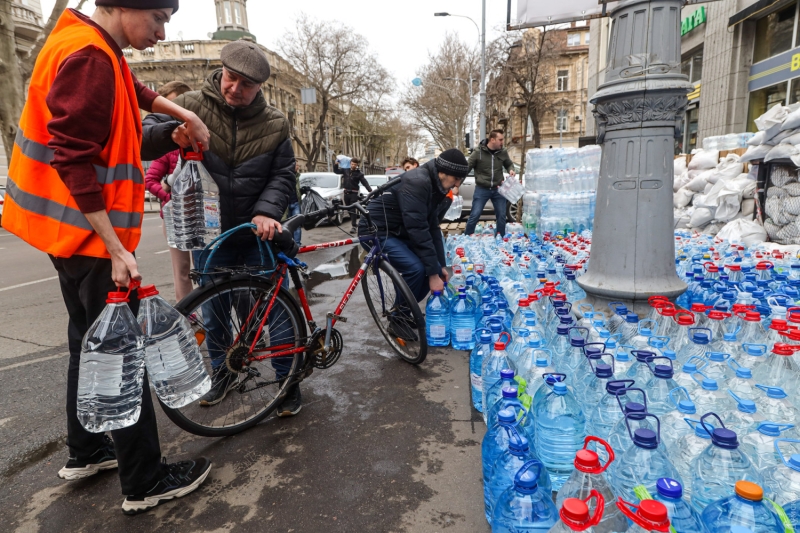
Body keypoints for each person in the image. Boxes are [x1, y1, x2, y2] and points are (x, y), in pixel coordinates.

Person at [1, 1, 213, 515]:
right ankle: (145, 481)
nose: (163, 33)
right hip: (92, 237)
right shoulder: (92, 59)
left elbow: (125, 107)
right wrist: (116, 248)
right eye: (159, 19)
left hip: (63, 234)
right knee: (121, 355)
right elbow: (71, 154)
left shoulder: (86, 42)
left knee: (88, 343)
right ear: (120, 7)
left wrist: (179, 114)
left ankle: (88, 449)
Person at [168, 41, 300, 415]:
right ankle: (221, 376)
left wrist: (266, 211)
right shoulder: (191, 105)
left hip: (258, 234)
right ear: (220, 71)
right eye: (231, 78)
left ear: (260, 87)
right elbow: (144, 135)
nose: (235, 89)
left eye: (246, 84)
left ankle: (286, 382)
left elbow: (283, 174)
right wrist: (168, 136)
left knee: (275, 309)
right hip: (210, 234)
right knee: (214, 312)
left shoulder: (275, 122)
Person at [359, 149, 468, 340]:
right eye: (456, 178)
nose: (457, 184)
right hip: (376, 231)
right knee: (417, 269)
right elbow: (417, 228)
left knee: (429, 268)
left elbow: (432, 227)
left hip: (398, 230)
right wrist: (432, 272)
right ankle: (397, 318)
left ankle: (403, 311)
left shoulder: (437, 185)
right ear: (443, 171)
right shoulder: (418, 182)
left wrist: (439, 266)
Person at [144, 81, 194, 302]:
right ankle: (189, 319)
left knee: (207, 268)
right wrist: (168, 198)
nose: (168, 113)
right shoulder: (167, 144)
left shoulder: (201, 135)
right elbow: (151, 179)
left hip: (204, 215)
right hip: (175, 218)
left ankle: (212, 319)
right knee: (182, 272)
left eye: (173, 105)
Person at [464, 129, 517, 236]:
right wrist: (456, 185)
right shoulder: (478, 152)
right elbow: (466, 169)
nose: (502, 142)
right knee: (475, 214)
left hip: (498, 189)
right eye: (500, 140)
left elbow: (509, 164)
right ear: (492, 140)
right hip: (482, 189)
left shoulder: (503, 152)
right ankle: (467, 237)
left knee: (501, 215)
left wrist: (511, 169)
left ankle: (500, 238)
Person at [334, 156, 372, 234]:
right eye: (352, 164)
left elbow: (364, 182)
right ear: (350, 164)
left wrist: (370, 191)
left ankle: (354, 226)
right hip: (346, 193)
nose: (353, 165)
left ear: (357, 165)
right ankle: (354, 223)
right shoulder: (346, 170)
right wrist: (336, 164)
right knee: (349, 209)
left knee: (352, 209)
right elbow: (336, 171)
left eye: (355, 164)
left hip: (354, 193)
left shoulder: (359, 174)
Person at [288, 162, 302, 245]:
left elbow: (297, 189)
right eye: (297, 165)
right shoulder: (286, 175)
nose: (298, 166)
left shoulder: (297, 176)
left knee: (297, 224)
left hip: (295, 203)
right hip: (286, 205)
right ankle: (290, 243)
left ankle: (297, 244)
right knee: (288, 225)